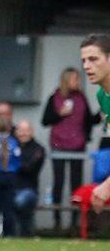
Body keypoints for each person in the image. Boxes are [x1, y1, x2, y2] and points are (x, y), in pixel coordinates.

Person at [41, 67, 100, 228]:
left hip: (78, 145)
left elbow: (89, 120)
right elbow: (45, 120)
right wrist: (60, 113)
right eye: (75, 79)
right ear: (66, 80)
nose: (78, 82)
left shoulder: (81, 98)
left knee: (76, 184)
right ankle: (57, 221)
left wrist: (101, 115)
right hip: (58, 145)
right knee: (58, 183)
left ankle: (75, 221)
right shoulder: (55, 97)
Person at [80, 33, 110, 213]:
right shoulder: (102, 95)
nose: (86, 66)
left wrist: (107, 185)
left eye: (93, 59)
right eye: (84, 60)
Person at [13, 120, 46, 237]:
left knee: (19, 201)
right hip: (10, 188)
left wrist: (14, 160)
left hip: (29, 189)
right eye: (20, 130)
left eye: (26, 131)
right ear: (16, 132)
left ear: (32, 132)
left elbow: (29, 169)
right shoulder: (11, 146)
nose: (23, 133)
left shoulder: (38, 149)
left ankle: (25, 233)